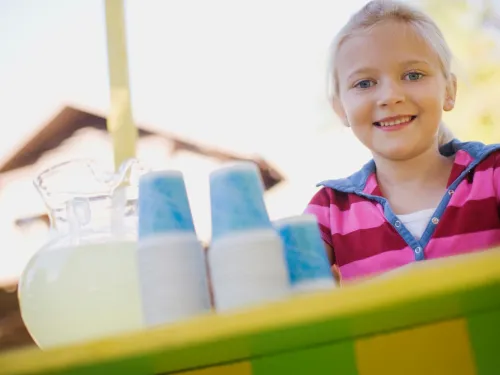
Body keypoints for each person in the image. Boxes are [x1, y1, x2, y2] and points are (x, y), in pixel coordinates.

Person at [305, 0, 500, 283]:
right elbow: (285, 297)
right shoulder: (329, 211)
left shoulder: (491, 174)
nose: (390, 96)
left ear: (449, 90)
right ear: (340, 109)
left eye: (413, 75)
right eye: (364, 83)